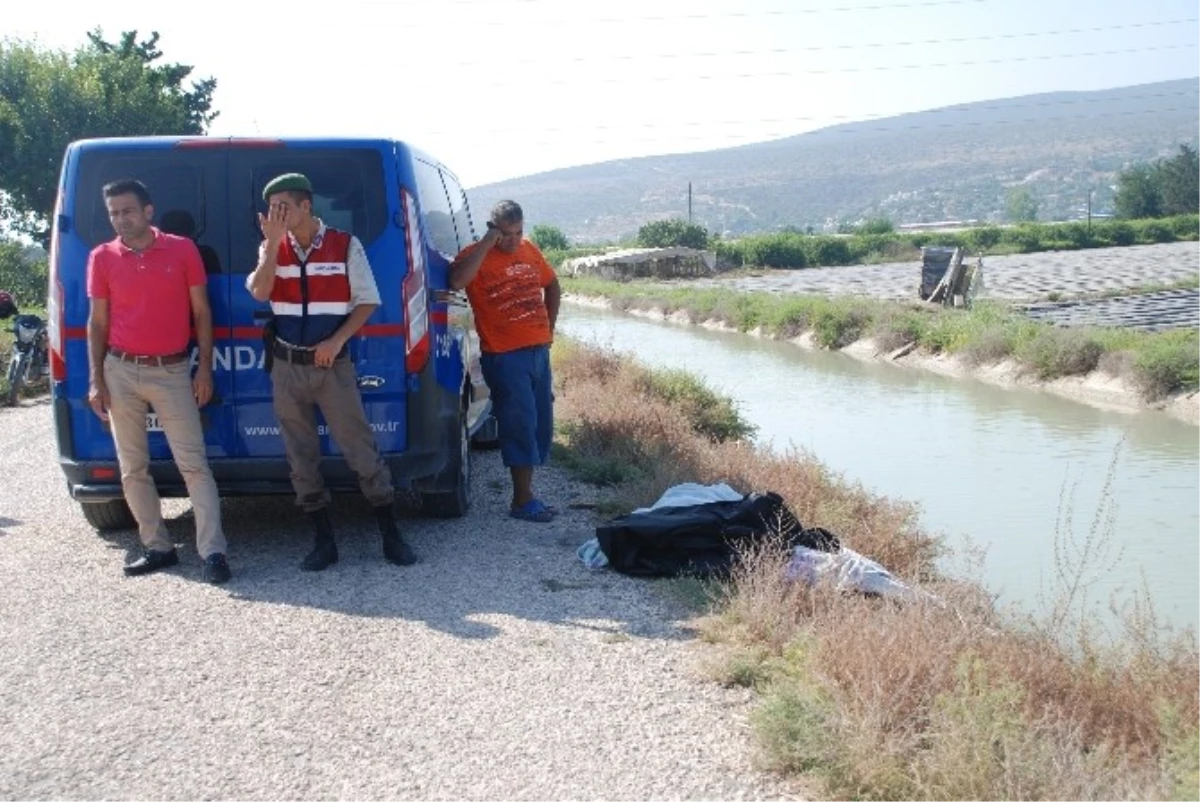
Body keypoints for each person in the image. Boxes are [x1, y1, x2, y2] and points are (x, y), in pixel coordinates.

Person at [245, 172, 416, 571]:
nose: (277, 214)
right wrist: (271, 244)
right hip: (287, 368)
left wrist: (337, 341)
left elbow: (368, 302)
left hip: (332, 368)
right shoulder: (271, 247)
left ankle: (391, 533)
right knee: (300, 457)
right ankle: (324, 541)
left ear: (307, 206)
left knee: (360, 450)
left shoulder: (344, 245)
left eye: (283, 207)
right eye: (272, 209)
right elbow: (260, 291)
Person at [85, 179, 231, 584]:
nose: (120, 219)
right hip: (120, 370)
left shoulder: (182, 250)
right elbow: (97, 322)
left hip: (172, 370)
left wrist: (204, 368)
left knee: (194, 465)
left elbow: (201, 313)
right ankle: (157, 547)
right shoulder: (102, 257)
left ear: (149, 211)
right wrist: (96, 379)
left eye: (128, 210)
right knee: (132, 469)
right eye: (114, 212)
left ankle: (213, 552)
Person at [450, 200, 561, 522]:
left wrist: (549, 330)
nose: (513, 240)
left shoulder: (530, 250)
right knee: (518, 424)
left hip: (538, 351)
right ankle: (521, 500)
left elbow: (552, 285)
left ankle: (529, 494)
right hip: (505, 355)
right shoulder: (475, 255)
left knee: (540, 423)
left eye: (518, 232)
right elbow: (457, 282)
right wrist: (487, 244)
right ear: (493, 228)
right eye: (506, 234)